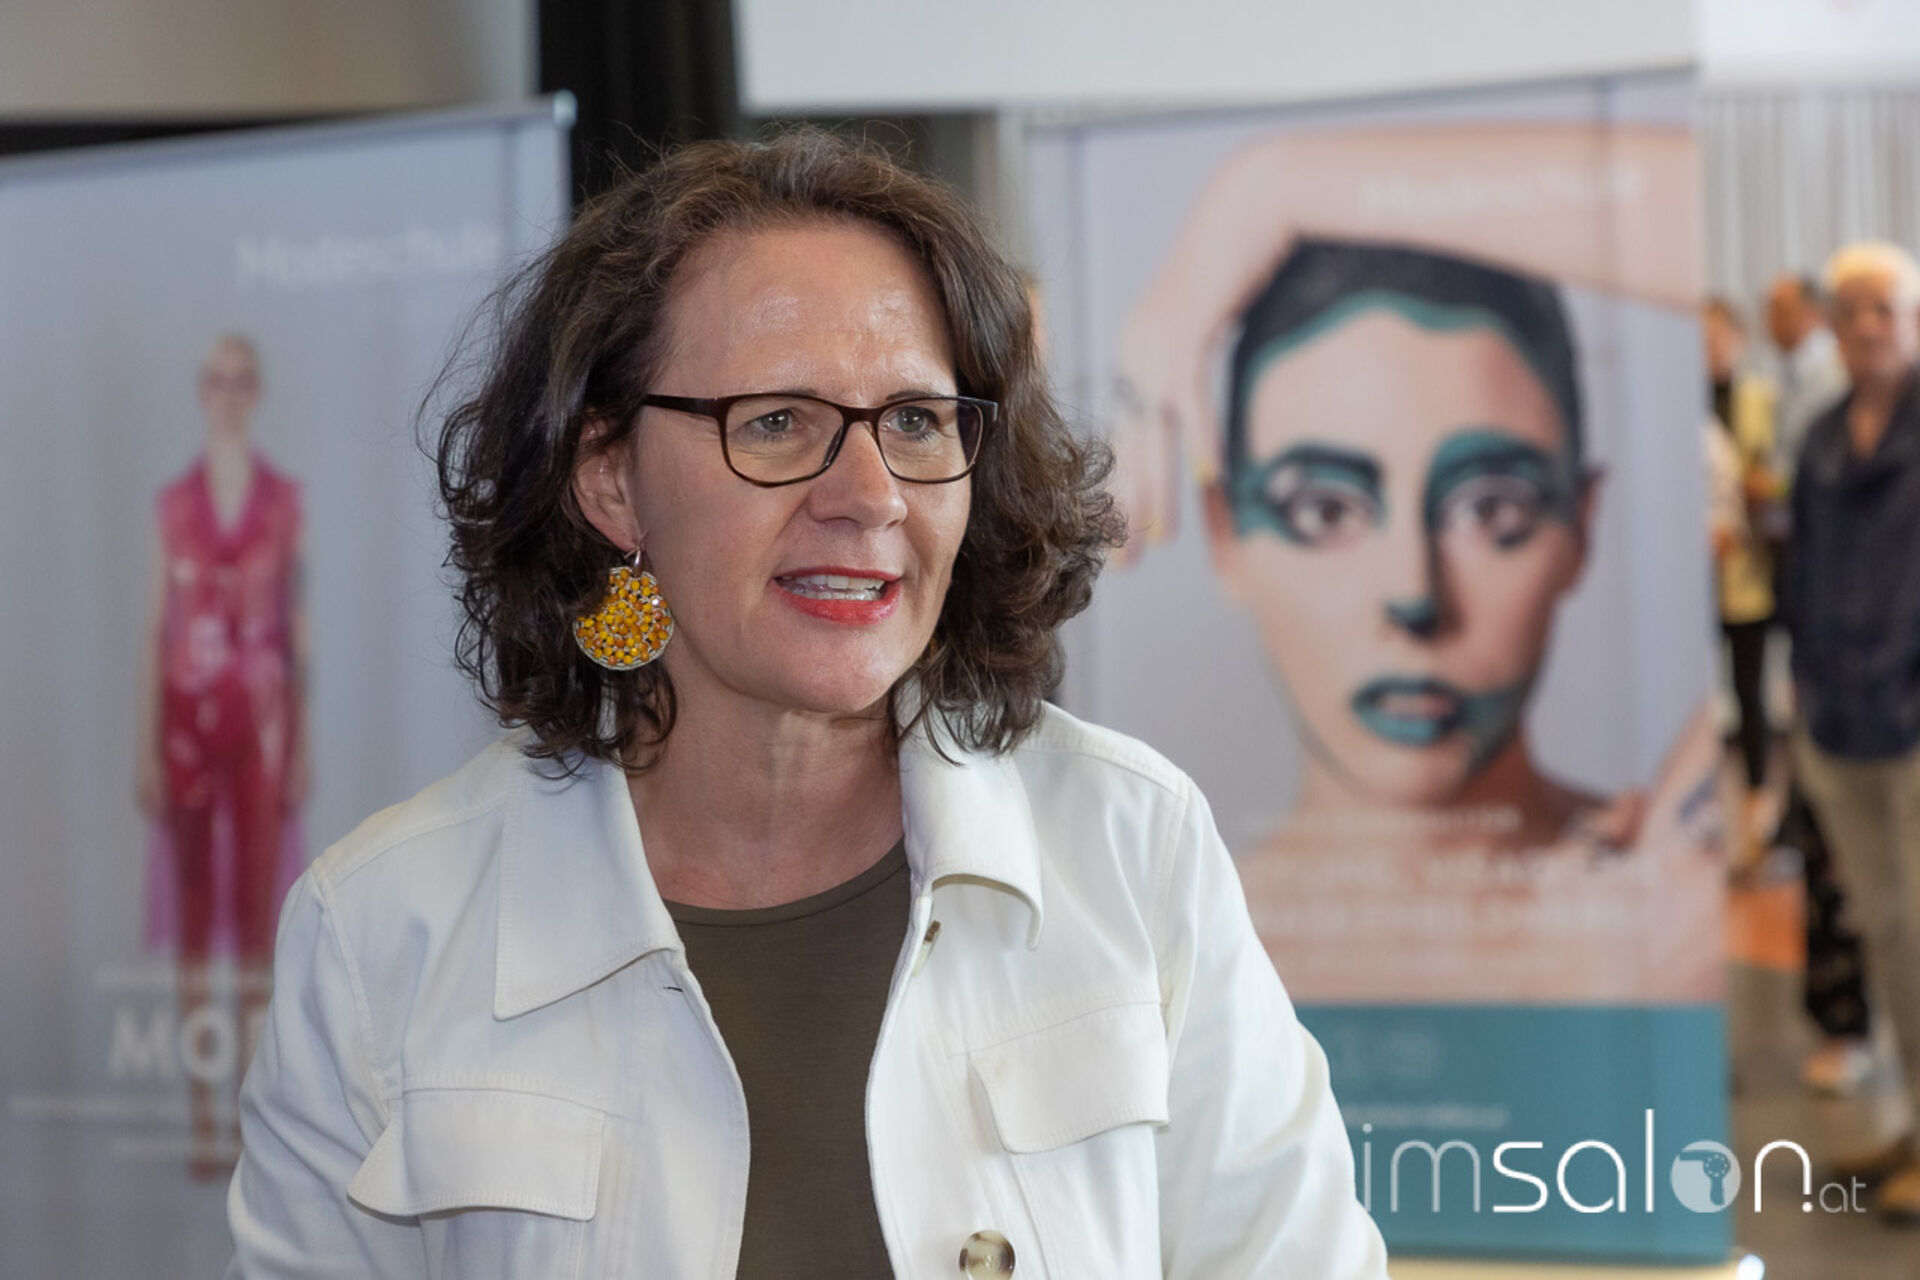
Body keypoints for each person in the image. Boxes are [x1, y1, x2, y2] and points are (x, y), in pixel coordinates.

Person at [224, 131, 1389, 1278]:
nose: (870, 495)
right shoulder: (382, 932)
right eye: (777, 420)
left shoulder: (1134, 849)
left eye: (917, 420)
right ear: (612, 479)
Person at [1110, 127, 1723, 1003]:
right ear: (1225, 536)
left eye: (1490, 509)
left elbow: (1734, 214)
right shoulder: (1154, 967)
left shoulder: (1670, 898)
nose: (1413, 594)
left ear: (1580, 526)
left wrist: (1272, 189)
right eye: (1325, 510)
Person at [137, 333, 308, 1178]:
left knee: (255, 918)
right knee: (198, 916)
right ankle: (203, 1117)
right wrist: (145, 748)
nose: (230, 393)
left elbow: (297, 632)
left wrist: (301, 741)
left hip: (264, 727)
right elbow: (155, 630)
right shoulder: (173, 507)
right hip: (186, 728)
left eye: (243, 379)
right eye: (217, 380)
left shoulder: (283, 503)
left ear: (257, 390)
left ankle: (248, 1110)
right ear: (203, 391)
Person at [1783, 240, 1920, 1221]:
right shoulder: (1824, 436)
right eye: (1852, 310)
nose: (1867, 325)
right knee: (1890, 936)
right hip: (1839, 722)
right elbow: (1802, 569)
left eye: (1885, 308)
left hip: (1914, 721)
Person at [1703, 297, 1781, 857]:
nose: (1707, 348)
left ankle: (1757, 806)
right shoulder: (1668, 397)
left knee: (1749, 692)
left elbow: (1780, 477)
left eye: (1716, 336)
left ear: (1738, 338)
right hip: (1689, 581)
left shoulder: (1761, 399)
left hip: (1747, 570)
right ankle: (1699, 808)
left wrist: (1765, 493)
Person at [1765, 272, 1849, 474]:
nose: (1770, 319)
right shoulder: (1787, 367)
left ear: (1812, 312)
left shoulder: (1835, 369)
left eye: (1780, 309)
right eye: (1769, 309)